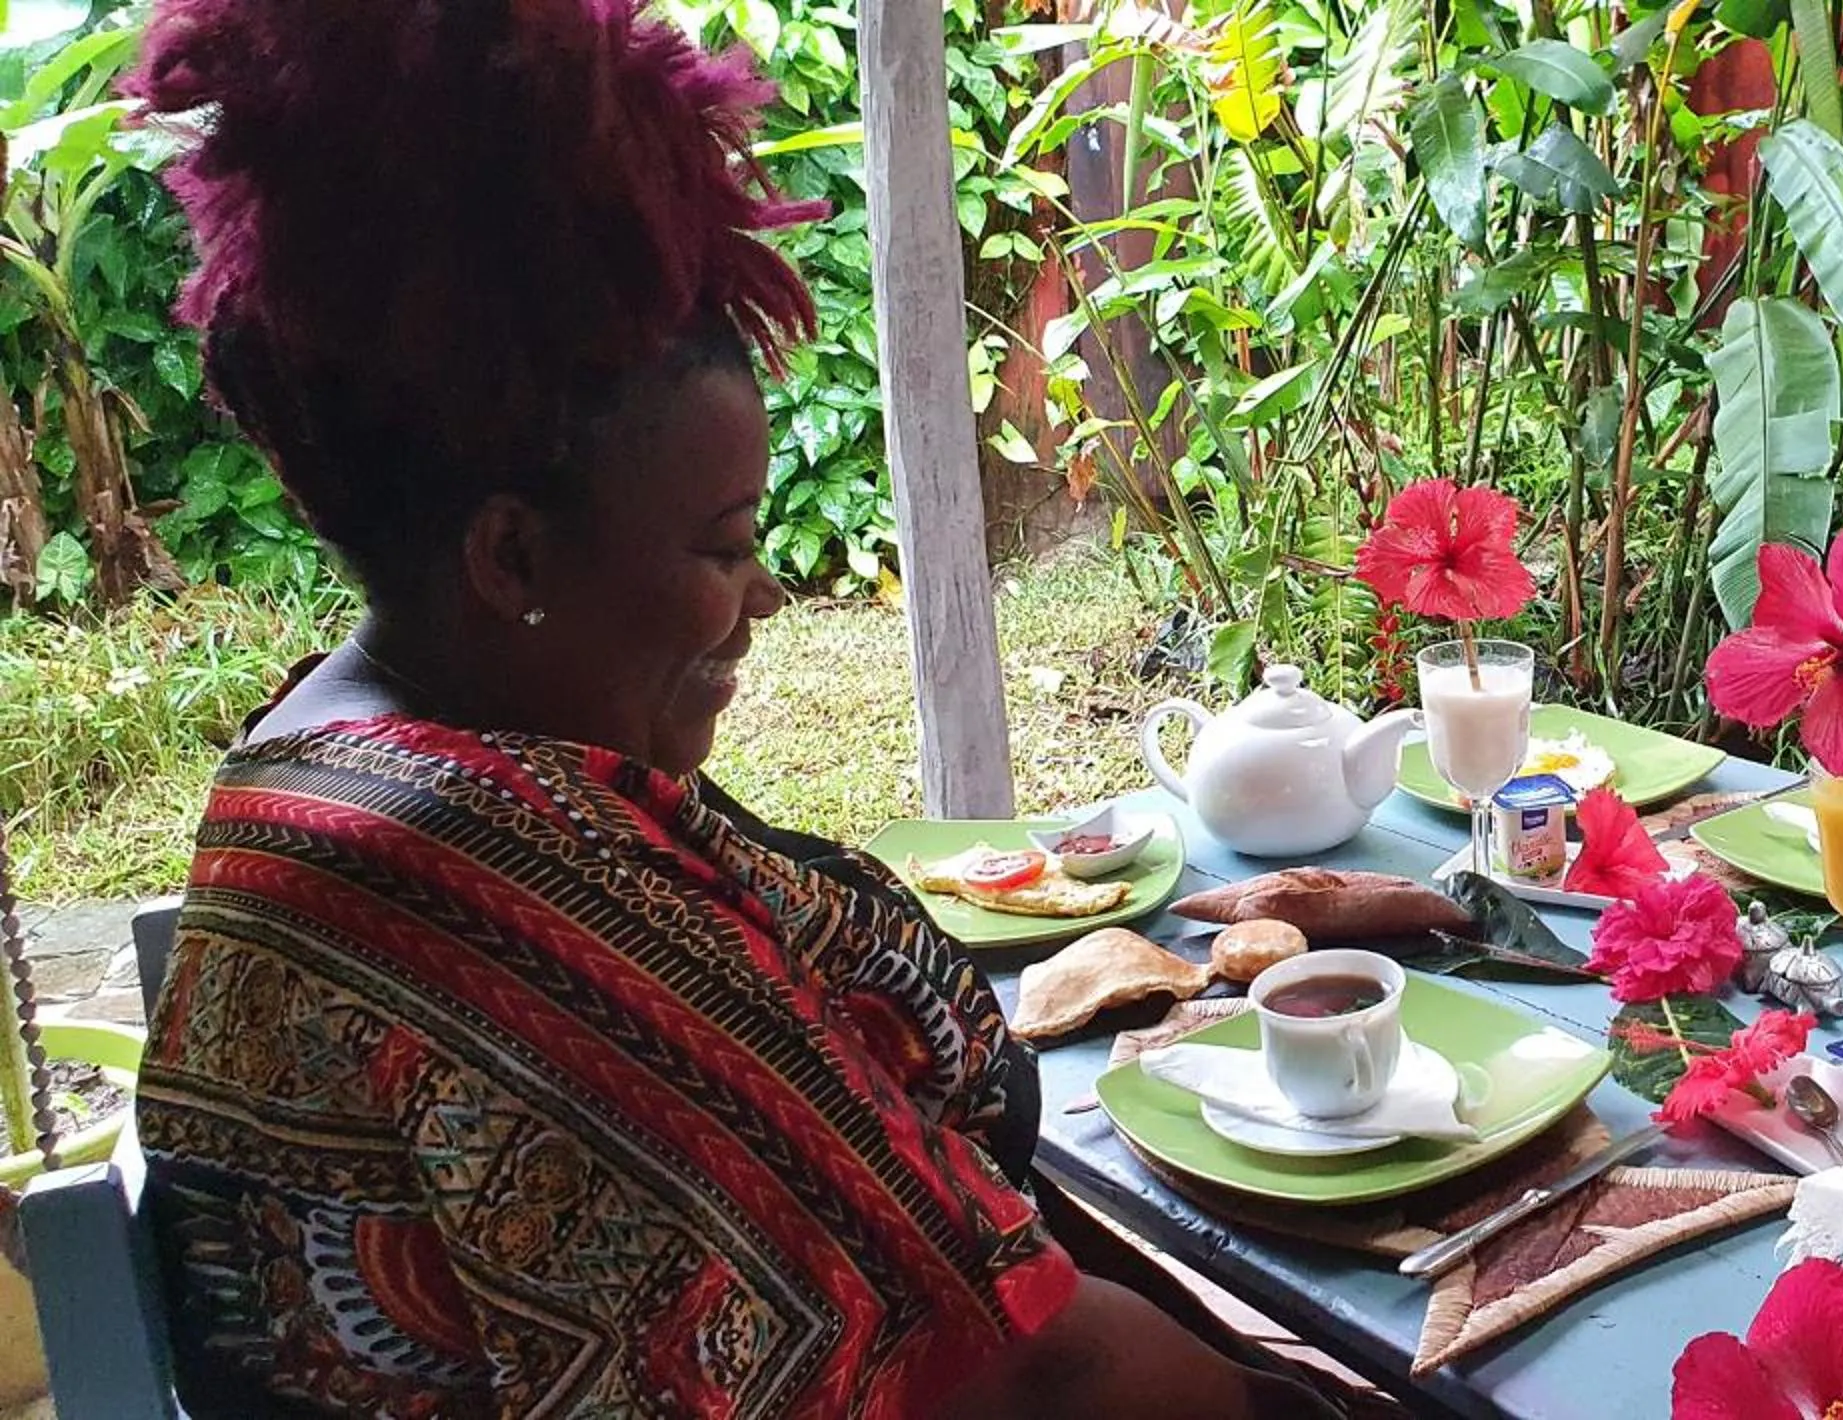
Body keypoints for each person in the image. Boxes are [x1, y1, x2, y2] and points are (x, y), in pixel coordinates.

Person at [124, 2, 1375, 1414]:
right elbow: (1035, 1375)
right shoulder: (494, 887)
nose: (766, 593)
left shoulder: (338, 753)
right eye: (722, 546)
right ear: (512, 556)